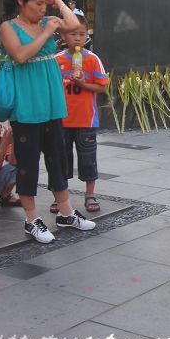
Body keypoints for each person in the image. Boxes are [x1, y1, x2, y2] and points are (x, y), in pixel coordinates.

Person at [0, 0, 95, 244]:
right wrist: (46, 32)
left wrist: (60, 2)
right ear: (21, 1)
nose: (43, 9)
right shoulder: (9, 26)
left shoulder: (47, 21)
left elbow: (74, 25)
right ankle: (32, 219)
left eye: (45, 3)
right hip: (27, 103)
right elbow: (20, 55)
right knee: (28, 163)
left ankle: (66, 212)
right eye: (38, 3)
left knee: (57, 158)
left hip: (52, 101)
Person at [50, 15, 108, 213]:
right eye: (73, 34)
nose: (77, 38)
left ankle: (90, 194)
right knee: (60, 159)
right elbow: (50, 87)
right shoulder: (56, 60)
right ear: (63, 36)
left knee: (88, 159)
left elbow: (102, 87)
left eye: (82, 34)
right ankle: (60, 196)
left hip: (86, 119)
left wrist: (83, 84)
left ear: (87, 36)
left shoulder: (92, 59)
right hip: (62, 120)